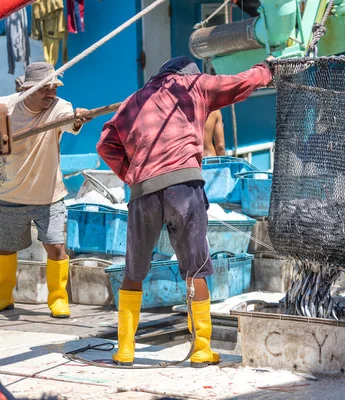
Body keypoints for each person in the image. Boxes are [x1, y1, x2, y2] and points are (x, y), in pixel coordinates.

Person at [97, 55, 274, 367]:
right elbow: (238, 84)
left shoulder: (134, 100)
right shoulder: (194, 86)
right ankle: (201, 348)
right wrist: (266, 70)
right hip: (184, 187)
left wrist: (132, 175)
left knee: (134, 270)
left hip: (144, 193)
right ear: (188, 74)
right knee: (196, 269)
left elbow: (106, 145)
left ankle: (125, 349)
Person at [0, 62, 90, 317]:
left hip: (48, 194)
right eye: (45, 89)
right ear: (28, 89)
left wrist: (78, 118)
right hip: (9, 192)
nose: (51, 93)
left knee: (56, 247)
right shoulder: (5, 108)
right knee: (5, 248)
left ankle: (58, 299)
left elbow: (69, 121)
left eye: (54, 87)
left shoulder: (59, 108)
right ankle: (4, 296)